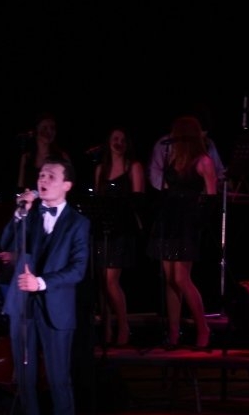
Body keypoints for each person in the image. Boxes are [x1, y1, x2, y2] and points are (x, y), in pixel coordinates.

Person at [0, 155, 90, 415]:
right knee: (25, 382)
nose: (43, 179)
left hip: (56, 307)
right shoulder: (30, 214)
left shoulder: (79, 223)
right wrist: (19, 212)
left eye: (51, 176)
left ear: (67, 185)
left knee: (58, 381)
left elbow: (78, 269)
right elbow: (6, 242)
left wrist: (41, 282)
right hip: (22, 306)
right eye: (41, 175)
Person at [145, 115, 217, 350]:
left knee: (181, 278)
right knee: (169, 279)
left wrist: (199, 222)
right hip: (169, 219)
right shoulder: (172, 157)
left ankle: (203, 328)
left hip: (188, 222)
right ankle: (174, 332)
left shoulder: (203, 161)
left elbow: (211, 197)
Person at [91, 127, 146, 347]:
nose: (119, 143)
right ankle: (106, 328)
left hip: (122, 229)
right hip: (103, 229)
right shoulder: (100, 170)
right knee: (101, 282)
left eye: (123, 139)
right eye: (115, 138)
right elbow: (97, 201)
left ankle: (123, 325)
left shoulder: (133, 167)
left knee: (111, 280)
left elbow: (139, 202)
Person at [17, 112, 71, 193]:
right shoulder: (27, 157)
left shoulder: (62, 156)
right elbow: (20, 186)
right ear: (37, 129)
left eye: (52, 128)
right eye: (45, 128)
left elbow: (69, 185)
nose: (49, 131)